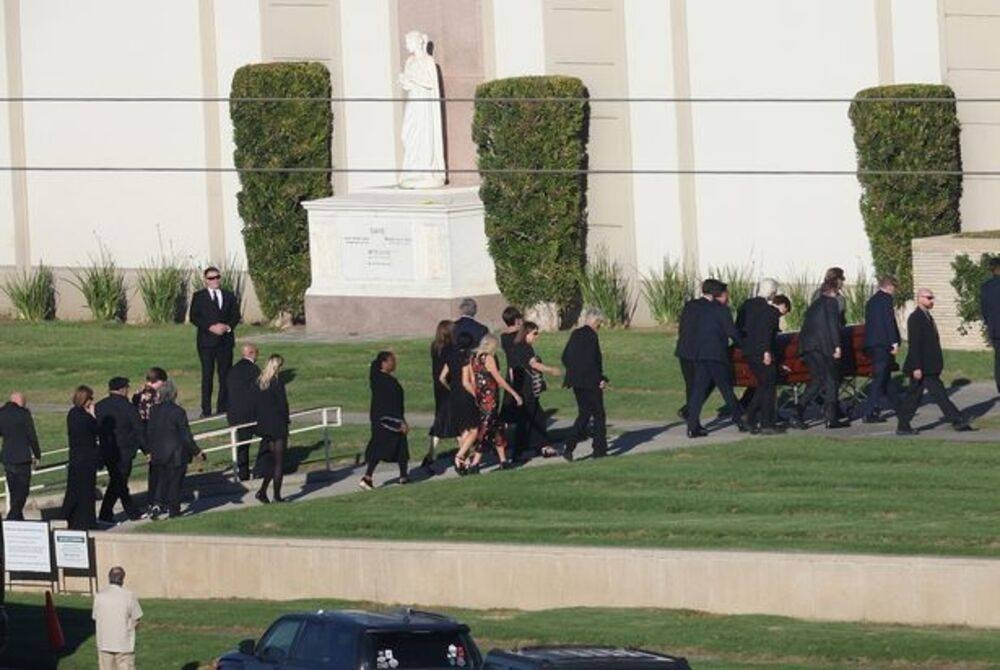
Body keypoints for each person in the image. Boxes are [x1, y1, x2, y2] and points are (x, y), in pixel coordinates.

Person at [896, 289, 975, 435]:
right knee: (939, 395)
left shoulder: (927, 317)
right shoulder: (915, 318)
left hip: (929, 366)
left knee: (914, 397)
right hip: (922, 367)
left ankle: (903, 425)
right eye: (929, 297)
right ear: (919, 299)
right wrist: (917, 367)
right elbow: (915, 344)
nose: (932, 300)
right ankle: (957, 420)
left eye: (932, 297)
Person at [686, 283, 747, 437]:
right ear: (721, 295)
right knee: (726, 389)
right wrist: (743, 346)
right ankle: (740, 420)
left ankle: (692, 426)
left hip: (701, 354)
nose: (728, 297)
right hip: (716, 354)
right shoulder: (722, 311)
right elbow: (732, 332)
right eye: (726, 294)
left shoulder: (702, 310)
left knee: (698, 392)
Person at [792, 279, 849, 429]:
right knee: (831, 381)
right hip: (824, 347)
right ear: (834, 290)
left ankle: (797, 412)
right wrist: (837, 346)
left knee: (817, 381)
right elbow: (832, 325)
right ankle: (831, 418)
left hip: (808, 348)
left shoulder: (815, 304)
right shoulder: (831, 303)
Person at [189, 266, 241, 418]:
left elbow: (235, 315)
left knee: (225, 376)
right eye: (211, 278)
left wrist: (227, 326)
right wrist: (211, 327)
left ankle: (222, 407)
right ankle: (206, 410)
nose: (215, 280)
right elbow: (194, 317)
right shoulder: (199, 296)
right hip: (206, 343)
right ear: (206, 280)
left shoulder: (228, 295)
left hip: (225, 342)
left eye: (217, 277)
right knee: (207, 376)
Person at [147, 380, 204, 519]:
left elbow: (150, 431)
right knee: (174, 483)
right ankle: (174, 511)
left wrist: (150, 450)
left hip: (158, 452)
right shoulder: (178, 412)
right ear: (174, 394)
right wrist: (197, 451)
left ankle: (157, 504)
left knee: (161, 480)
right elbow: (185, 435)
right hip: (176, 453)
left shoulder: (154, 410)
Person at [466, 334, 522, 471]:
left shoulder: (473, 357)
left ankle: (503, 460)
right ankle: (475, 463)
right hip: (490, 397)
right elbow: (498, 379)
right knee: (485, 428)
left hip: (481, 395)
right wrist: (514, 393)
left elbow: (473, 379)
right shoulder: (488, 357)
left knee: (497, 428)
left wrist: (476, 394)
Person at [739, 288, 791, 434]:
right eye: (784, 311)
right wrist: (766, 352)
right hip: (762, 353)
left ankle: (750, 415)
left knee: (763, 385)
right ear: (782, 305)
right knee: (768, 386)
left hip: (750, 352)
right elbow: (766, 334)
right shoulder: (772, 314)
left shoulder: (759, 311)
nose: (782, 315)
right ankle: (766, 423)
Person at [95, 377, 145, 523]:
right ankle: (130, 512)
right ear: (123, 389)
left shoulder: (100, 406)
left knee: (117, 482)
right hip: (125, 451)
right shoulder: (127, 407)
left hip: (107, 450)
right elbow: (138, 429)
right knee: (120, 482)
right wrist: (147, 450)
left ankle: (109, 513)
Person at [561, 309, 609, 460]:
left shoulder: (575, 334)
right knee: (599, 415)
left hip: (576, 380)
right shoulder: (592, 336)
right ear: (595, 322)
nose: (599, 327)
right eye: (599, 324)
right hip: (590, 381)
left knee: (584, 414)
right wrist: (600, 379)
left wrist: (574, 371)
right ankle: (599, 450)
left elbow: (565, 357)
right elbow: (593, 361)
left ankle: (569, 446)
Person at [509, 321, 561, 459]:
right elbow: (533, 364)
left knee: (528, 419)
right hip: (527, 388)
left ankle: (525, 450)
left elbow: (511, 369)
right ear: (526, 333)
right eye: (535, 333)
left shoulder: (515, 347)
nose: (536, 336)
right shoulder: (526, 348)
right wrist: (550, 369)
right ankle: (542, 446)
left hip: (520, 387)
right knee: (536, 417)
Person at [359, 352, 410, 490]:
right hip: (386, 420)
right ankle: (367, 477)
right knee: (380, 447)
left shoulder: (381, 378)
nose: (394, 363)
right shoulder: (382, 380)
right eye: (392, 361)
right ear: (384, 363)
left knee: (401, 447)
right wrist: (399, 423)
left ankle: (403, 476)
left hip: (388, 418)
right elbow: (390, 403)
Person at [860, 276, 901, 423]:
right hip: (882, 345)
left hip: (871, 344)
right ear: (889, 286)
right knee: (879, 379)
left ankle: (898, 406)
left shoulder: (872, 301)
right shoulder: (886, 299)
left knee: (885, 378)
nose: (894, 292)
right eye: (894, 288)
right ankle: (869, 412)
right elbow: (888, 321)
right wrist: (894, 342)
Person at [675, 282, 717, 421]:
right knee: (704, 383)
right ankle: (692, 417)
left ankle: (690, 413)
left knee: (691, 385)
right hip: (700, 352)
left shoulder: (690, 305)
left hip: (685, 350)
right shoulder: (712, 309)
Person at [440, 332, 480, 474]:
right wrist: (476, 395)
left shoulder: (451, 356)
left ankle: (466, 462)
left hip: (454, 395)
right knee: (474, 430)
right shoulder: (467, 358)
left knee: (464, 430)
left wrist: (451, 388)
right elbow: (469, 381)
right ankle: (459, 456)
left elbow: (442, 378)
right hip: (466, 395)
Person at [253, 354, 290, 503]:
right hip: (277, 424)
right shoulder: (277, 382)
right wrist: (286, 421)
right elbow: (282, 405)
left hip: (265, 425)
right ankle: (276, 495)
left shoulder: (260, 382)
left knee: (272, 461)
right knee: (279, 462)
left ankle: (262, 491)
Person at [131, 367, 167, 516]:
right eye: (162, 382)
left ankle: (151, 502)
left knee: (153, 471)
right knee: (159, 472)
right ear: (156, 381)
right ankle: (156, 502)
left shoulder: (137, 394)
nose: (163, 385)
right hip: (154, 434)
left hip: (142, 435)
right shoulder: (155, 396)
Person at [62, 385, 99, 530]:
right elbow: (95, 430)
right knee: (86, 492)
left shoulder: (72, 414)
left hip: (76, 457)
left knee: (74, 490)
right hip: (87, 459)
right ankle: (86, 521)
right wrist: (92, 415)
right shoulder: (86, 417)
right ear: (86, 400)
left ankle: (72, 519)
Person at [92, 566, 143, 670]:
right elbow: (137, 619)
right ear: (122, 579)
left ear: (109, 578)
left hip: (104, 643)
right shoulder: (129, 596)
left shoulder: (99, 596)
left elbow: (95, 617)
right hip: (124, 645)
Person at [0, 392, 40, 521]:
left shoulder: (1, 413)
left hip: (8, 457)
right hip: (22, 458)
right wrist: (37, 453)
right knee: (23, 492)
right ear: (21, 402)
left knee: (14, 492)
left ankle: (17, 519)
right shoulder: (24, 414)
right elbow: (32, 436)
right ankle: (12, 518)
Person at [226, 343, 260, 481]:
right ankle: (260, 469)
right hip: (250, 414)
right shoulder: (253, 369)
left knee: (242, 446)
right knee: (269, 438)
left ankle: (243, 473)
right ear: (252, 353)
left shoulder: (233, 370)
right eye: (257, 352)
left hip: (234, 414)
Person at [426, 321, 455, 470]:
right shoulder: (450, 348)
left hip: (438, 388)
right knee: (455, 419)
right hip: (448, 385)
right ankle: (464, 452)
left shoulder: (435, 346)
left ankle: (431, 453)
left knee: (441, 419)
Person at [499, 306, 524, 427]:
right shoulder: (519, 336)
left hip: (510, 367)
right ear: (516, 320)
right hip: (519, 368)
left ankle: (506, 422)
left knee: (509, 397)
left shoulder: (504, 336)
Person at [981, 257, 1000, 395]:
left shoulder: (985, 287)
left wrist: (990, 325)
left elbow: (985, 310)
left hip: (994, 330)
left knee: (998, 360)